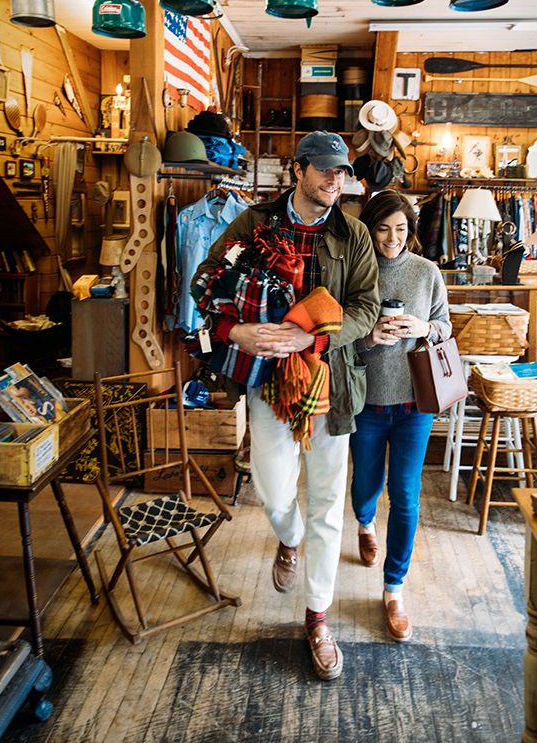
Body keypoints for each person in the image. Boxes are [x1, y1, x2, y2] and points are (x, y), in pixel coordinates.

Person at [192, 131, 379, 680]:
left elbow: (366, 307)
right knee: (274, 492)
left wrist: (313, 339)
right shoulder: (254, 225)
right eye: (324, 170)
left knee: (327, 504)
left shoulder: (355, 234)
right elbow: (205, 281)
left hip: (333, 384)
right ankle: (288, 539)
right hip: (268, 381)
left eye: (341, 172)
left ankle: (318, 617)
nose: (334, 180)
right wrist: (238, 330)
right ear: (298, 170)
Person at [351, 190, 451, 642]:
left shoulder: (426, 272)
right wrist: (370, 339)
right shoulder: (355, 272)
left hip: (415, 402)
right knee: (365, 487)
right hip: (367, 403)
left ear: (411, 230)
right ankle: (366, 523)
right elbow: (335, 338)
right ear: (369, 229)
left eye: (401, 229)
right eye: (383, 228)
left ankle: (394, 590)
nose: (392, 238)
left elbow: (445, 325)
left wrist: (423, 328)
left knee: (406, 496)